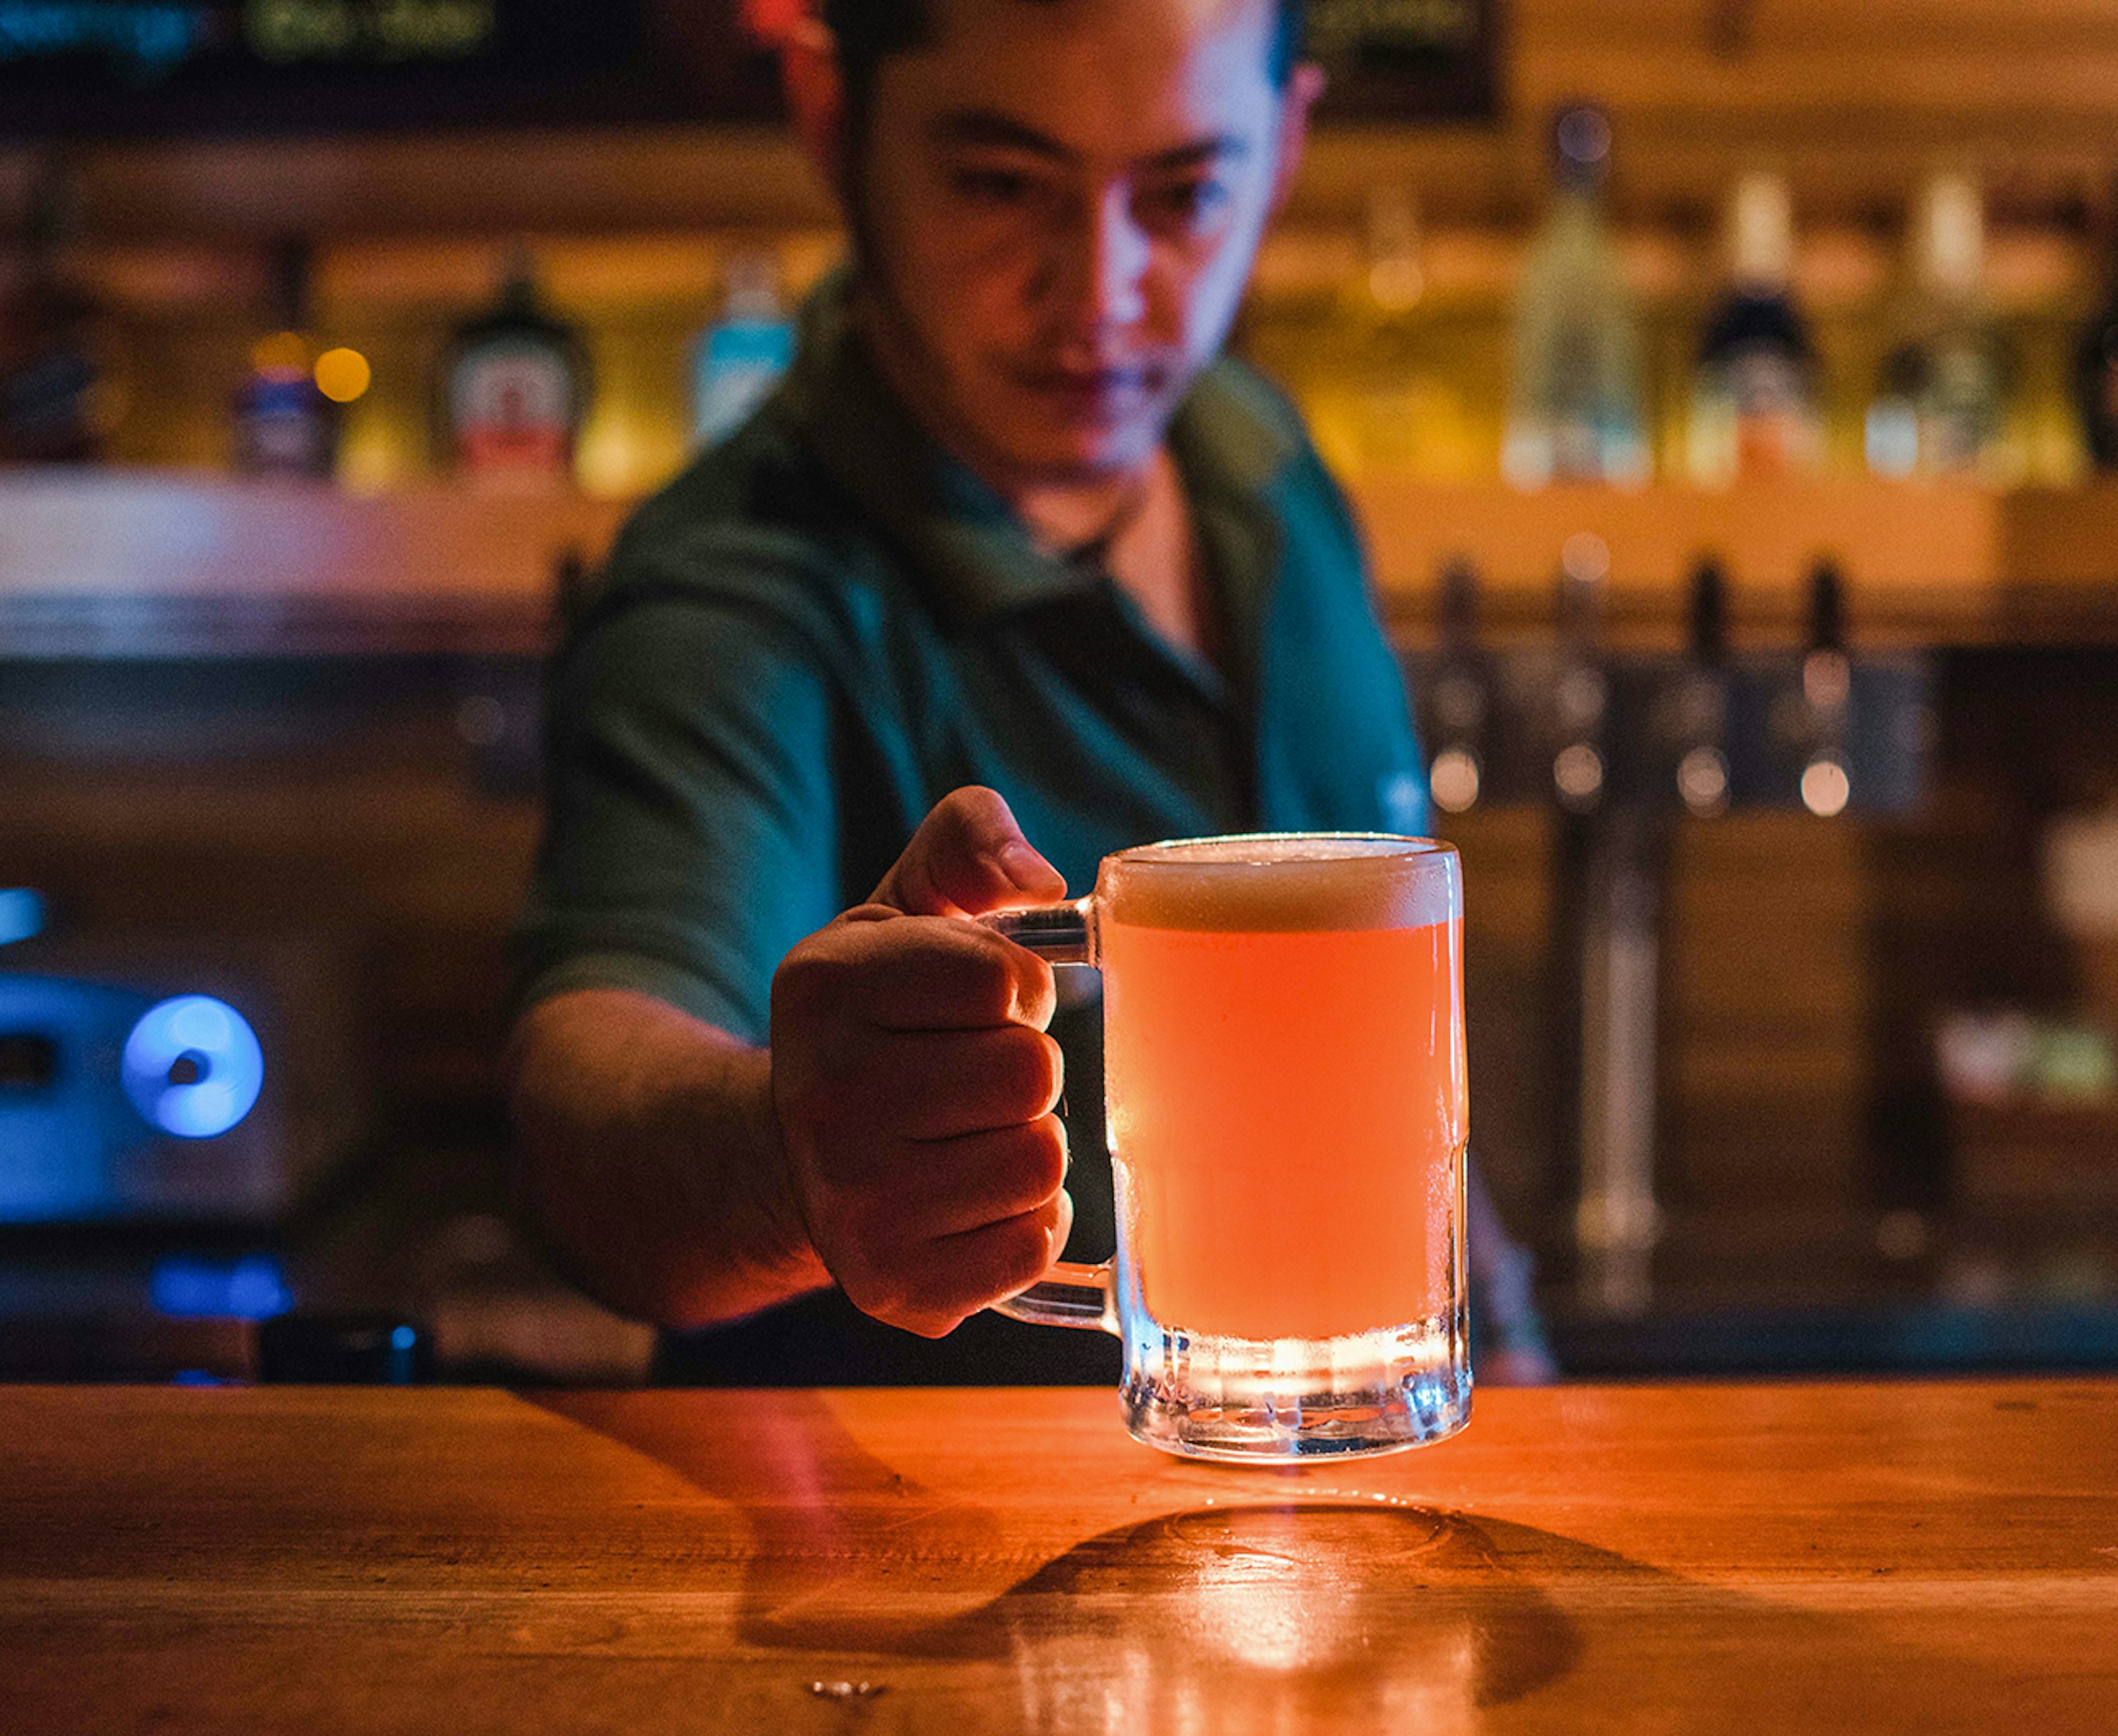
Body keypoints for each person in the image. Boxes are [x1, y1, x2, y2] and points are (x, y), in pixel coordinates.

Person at [506, 0, 1551, 1384]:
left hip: (1351, 1523)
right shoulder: (736, 590)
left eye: (1183, 193)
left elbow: (1376, 1059)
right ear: (833, 121)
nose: (1103, 290)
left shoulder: (1253, 450)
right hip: (917, 1574)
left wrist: (1514, 1342)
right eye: (1002, 184)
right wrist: (784, 1162)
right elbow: (586, 1107)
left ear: (1286, 147)